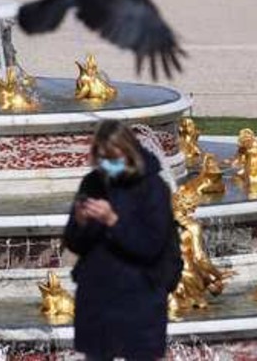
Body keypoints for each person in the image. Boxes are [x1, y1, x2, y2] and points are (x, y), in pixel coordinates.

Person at [63, 120, 174, 361]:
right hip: (98, 298)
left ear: (127, 152)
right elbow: (73, 243)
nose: (106, 164)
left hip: (139, 297)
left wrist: (113, 220)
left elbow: (152, 246)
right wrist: (81, 223)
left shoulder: (152, 187)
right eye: (101, 157)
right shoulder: (92, 183)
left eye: (112, 157)